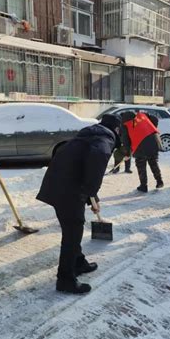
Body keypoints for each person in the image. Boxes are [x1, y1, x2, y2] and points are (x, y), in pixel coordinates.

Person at [36, 114, 121, 294]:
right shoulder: (104, 140)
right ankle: (65, 280)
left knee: (73, 228)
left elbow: (84, 165)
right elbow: (98, 158)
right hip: (68, 190)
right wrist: (91, 191)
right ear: (117, 130)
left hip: (60, 185)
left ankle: (78, 262)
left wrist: (92, 197)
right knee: (72, 232)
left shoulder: (87, 135)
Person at [124, 112, 163, 193]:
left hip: (140, 145)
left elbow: (126, 141)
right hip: (154, 141)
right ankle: (159, 181)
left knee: (141, 165)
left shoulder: (126, 124)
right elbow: (154, 119)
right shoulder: (142, 117)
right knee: (153, 162)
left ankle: (143, 186)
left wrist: (128, 153)